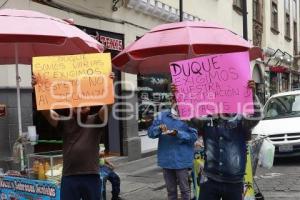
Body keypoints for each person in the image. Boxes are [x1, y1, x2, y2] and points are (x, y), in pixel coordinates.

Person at [171, 80, 260, 200]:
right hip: (210, 179)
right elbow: (188, 117)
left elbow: (256, 117)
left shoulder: (241, 120)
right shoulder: (207, 120)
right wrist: (179, 97)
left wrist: (252, 96)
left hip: (234, 181)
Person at [32, 72, 115, 200]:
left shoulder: (96, 121)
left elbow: (108, 105)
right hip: (70, 177)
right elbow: (46, 111)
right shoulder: (64, 122)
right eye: (78, 107)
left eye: (85, 106)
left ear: (90, 107)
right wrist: (38, 89)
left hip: (91, 176)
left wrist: (110, 85)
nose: (82, 108)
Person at [148, 95, 198, 200]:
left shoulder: (189, 117)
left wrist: (177, 133)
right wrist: (159, 128)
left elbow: (193, 137)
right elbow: (150, 133)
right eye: (176, 100)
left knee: (185, 190)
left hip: (182, 160)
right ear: (172, 100)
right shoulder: (162, 116)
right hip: (166, 160)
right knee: (171, 191)